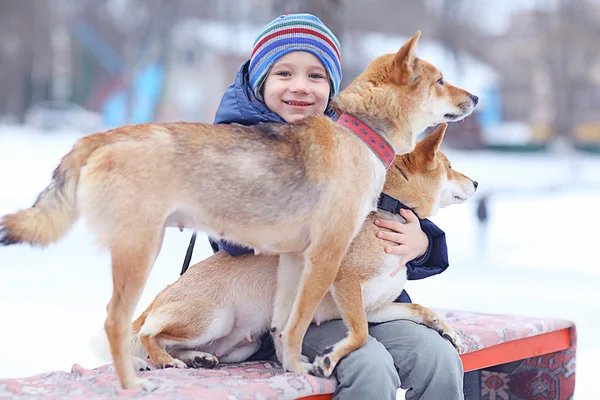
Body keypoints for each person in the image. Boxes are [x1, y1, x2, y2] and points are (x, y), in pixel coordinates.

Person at [202, 13, 464, 400]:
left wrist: (423, 242)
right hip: (289, 309)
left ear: (332, 86)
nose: (301, 87)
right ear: (260, 81)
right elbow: (231, 242)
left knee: (438, 357)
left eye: (316, 76)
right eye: (284, 74)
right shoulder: (236, 146)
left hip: (363, 300)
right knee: (369, 366)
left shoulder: (357, 137)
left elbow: (396, 199)